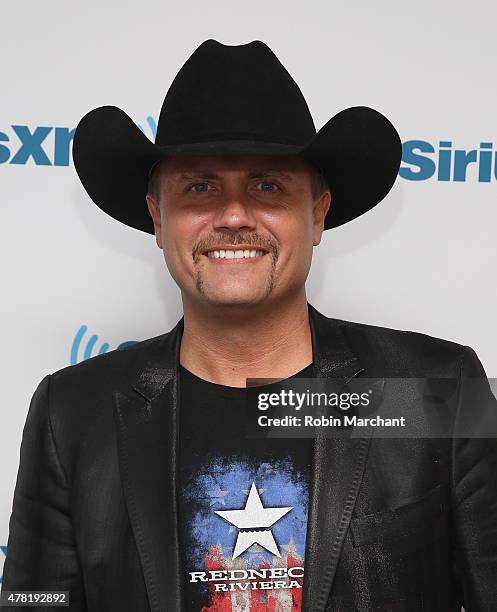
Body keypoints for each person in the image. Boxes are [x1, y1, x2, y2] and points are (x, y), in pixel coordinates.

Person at [2, 39, 496, 612]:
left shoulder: (440, 392)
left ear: (316, 215)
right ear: (158, 219)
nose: (234, 216)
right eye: (200, 187)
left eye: (267, 186)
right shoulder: (72, 411)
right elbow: (32, 601)